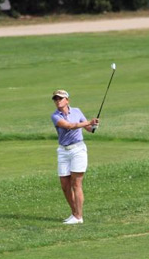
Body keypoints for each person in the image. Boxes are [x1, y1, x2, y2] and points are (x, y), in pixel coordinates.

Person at [50, 89, 99, 225]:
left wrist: (94, 126)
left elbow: (89, 129)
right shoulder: (55, 116)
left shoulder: (77, 111)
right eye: (55, 99)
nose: (58, 101)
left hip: (78, 149)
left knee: (76, 183)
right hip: (63, 151)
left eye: (60, 98)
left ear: (67, 100)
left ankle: (78, 217)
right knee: (65, 185)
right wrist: (89, 122)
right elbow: (70, 126)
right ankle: (74, 214)